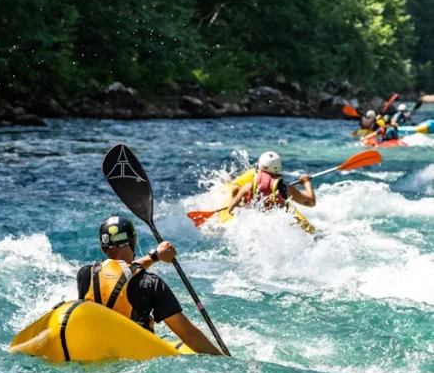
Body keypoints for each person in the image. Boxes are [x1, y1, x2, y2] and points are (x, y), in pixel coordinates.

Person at [77, 215, 224, 356]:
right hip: (136, 358)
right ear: (133, 242)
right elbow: (189, 335)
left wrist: (155, 256)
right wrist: (224, 360)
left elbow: (119, 274)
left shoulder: (85, 275)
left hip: (96, 350)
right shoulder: (150, 283)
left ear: (103, 248)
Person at [227, 151, 316, 214]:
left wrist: (235, 196)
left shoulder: (248, 187)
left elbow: (230, 209)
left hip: (254, 221)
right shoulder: (287, 189)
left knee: (235, 191)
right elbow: (311, 202)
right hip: (276, 223)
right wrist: (306, 182)